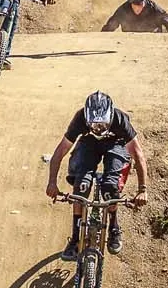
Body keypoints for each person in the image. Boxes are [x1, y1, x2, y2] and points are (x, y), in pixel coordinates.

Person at [46, 91, 148, 259]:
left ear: (110, 117)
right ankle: (75, 237)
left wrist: (143, 189)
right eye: (94, 125)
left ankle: (114, 227)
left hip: (117, 144)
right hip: (89, 143)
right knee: (81, 187)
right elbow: (60, 152)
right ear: (86, 118)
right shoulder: (79, 118)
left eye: (103, 125)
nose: (99, 129)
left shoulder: (120, 119)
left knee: (110, 187)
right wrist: (51, 183)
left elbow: (138, 154)